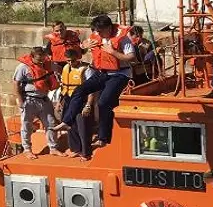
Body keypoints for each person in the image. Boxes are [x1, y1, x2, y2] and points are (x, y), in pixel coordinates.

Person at [52, 14, 135, 148]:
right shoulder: (96, 35)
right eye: (97, 31)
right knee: (79, 90)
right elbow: (82, 49)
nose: (98, 33)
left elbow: (131, 56)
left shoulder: (123, 38)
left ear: (108, 28)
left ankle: (103, 138)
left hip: (119, 74)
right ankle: (67, 121)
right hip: (102, 72)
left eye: (100, 31)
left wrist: (113, 52)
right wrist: (84, 46)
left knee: (103, 102)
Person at [14, 46, 60, 159]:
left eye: (43, 59)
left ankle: (53, 147)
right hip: (29, 100)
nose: (41, 62)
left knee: (51, 123)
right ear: (32, 57)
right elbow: (16, 84)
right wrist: (20, 100)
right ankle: (27, 149)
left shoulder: (47, 64)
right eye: (39, 59)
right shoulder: (23, 67)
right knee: (27, 125)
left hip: (44, 99)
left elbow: (60, 68)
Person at [55, 47, 89, 118]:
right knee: (66, 123)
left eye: (72, 60)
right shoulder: (65, 68)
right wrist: (59, 102)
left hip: (80, 100)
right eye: (68, 61)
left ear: (77, 58)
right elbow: (63, 87)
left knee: (80, 125)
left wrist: (88, 105)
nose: (70, 63)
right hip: (68, 99)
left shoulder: (85, 69)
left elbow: (92, 90)